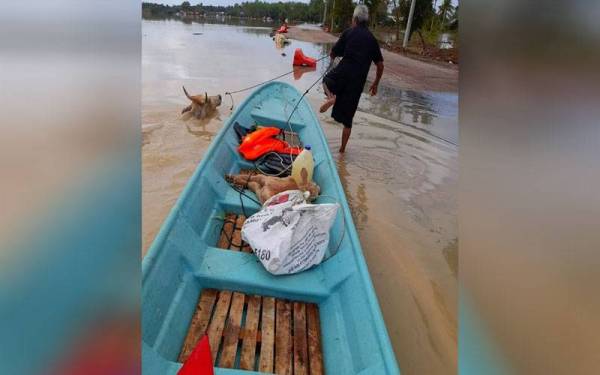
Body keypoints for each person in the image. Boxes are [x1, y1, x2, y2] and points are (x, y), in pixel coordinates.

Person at [320, 5, 384, 153]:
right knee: (348, 121)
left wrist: (332, 62)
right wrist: (375, 84)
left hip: (342, 73)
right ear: (366, 21)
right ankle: (342, 151)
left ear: (354, 19)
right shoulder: (372, 40)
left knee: (326, 81)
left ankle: (331, 97)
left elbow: (333, 52)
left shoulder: (349, 33)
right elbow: (380, 65)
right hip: (357, 82)